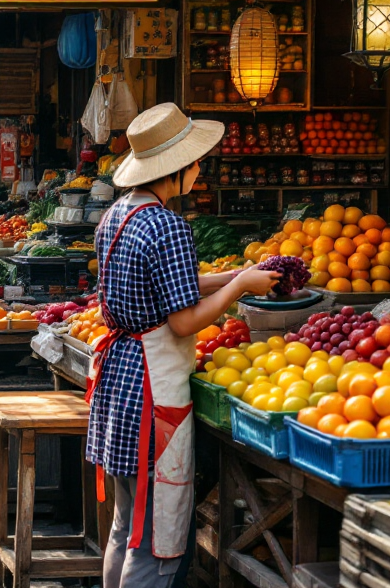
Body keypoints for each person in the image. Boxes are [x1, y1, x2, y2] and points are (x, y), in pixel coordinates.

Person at [88, 103, 280, 588]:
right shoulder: (169, 226)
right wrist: (237, 290)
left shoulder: (117, 216)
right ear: (175, 169)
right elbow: (181, 321)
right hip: (153, 391)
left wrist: (236, 275)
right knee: (156, 539)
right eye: (195, 162)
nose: (199, 168)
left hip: (120, 379)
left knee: (125, 526)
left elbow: (173, 284)